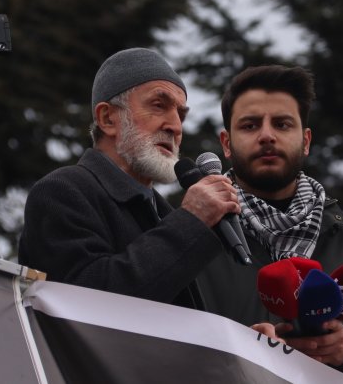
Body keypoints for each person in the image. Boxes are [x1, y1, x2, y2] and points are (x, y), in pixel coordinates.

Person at [194, 65, 343, 383]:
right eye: (250, 125)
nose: (267, 135)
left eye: (282, 124)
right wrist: (233, 353)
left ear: (305, 141)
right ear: (226, 143)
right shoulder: (192, 240)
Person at [19, 47, 239, 308]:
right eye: (158, 106)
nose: (175, 126)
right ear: (107, 118)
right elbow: (89, 305)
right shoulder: (62, 191)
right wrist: (191, 221)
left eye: (180, 114)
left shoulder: (165, 214)